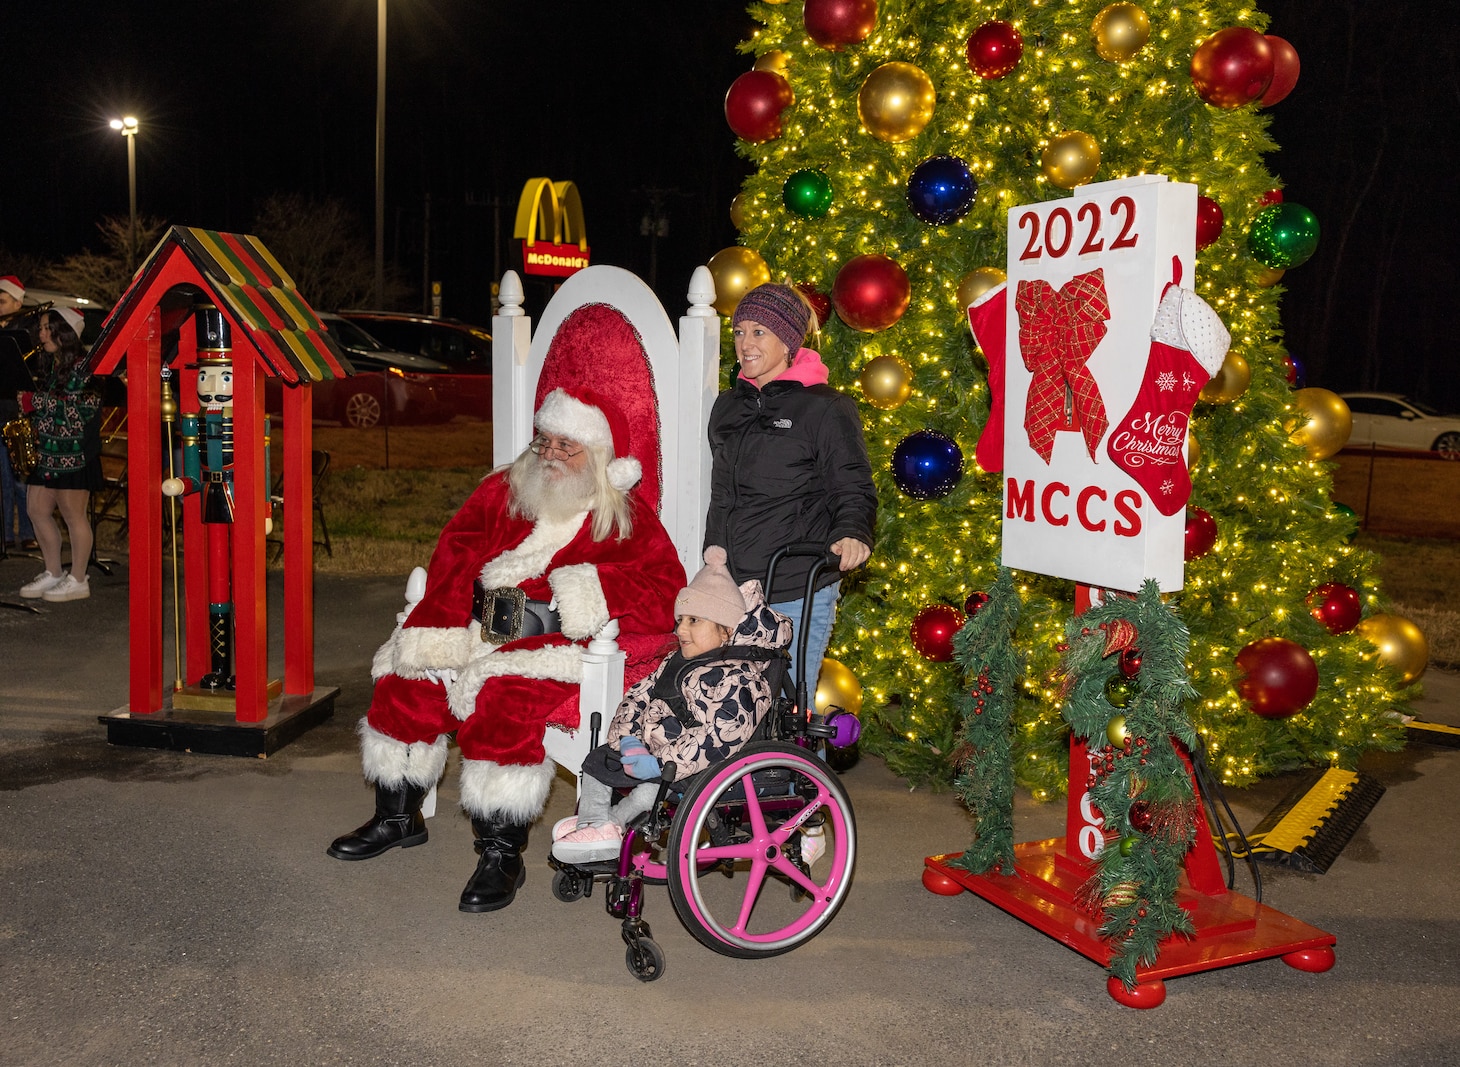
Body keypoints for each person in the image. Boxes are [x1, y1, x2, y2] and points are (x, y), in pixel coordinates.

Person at [327, 385, 686, 913]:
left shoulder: (626, 518)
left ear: (601, 456)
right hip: (475, 628)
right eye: (546, 441)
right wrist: (440, 630)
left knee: (504, 702)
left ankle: (501, 853)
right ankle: (397, 817)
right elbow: (454, 552)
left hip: (553, 645)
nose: (551, 455)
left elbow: (665, 590)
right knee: (406, 677)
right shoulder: (504, 489)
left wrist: (589, 588)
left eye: (569, 446)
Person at [552, 545, 793, 864]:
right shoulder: (676, 661)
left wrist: (663, 763)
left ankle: (610, 825)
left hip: (694, 765)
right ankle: (595, 823)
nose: (680, 630)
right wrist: (628, 739)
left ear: (725, 629)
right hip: (650, 750)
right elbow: (639, 695)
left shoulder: (742, 679)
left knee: (650, 792)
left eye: (694, 620)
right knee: (598, 763)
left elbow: (720, 736)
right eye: (680, 620)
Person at [705, 282, 877, 700]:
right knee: (733, 710)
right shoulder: (729, 406)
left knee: (789, 710)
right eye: (740, 331)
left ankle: (803, 769)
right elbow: (723, 494)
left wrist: (853, 531)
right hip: (731, 586)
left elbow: (852, 483)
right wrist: (714, 558)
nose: (745, 344)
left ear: (789, 341)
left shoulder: (824, 407)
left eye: (759, 332)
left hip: (795, 585)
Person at [18, 307, 101, 602]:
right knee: (36, 510)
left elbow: (81, 410)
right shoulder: (52, 366)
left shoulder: (85, 366)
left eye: (46, 328)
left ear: (64, 330)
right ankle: (53, 572)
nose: (41, 335)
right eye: (41, 328)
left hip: (75, 454)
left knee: (72, 516)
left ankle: (78, 578)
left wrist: (35, 401)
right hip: (48, 452)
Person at [0, 275, 38, 551]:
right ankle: (5, 534)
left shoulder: (27, 331)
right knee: (3, 478)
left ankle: (27, 531)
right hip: (0, 411)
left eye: (2, 301)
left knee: (21, 478)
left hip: (17, 414)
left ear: (17, 301)